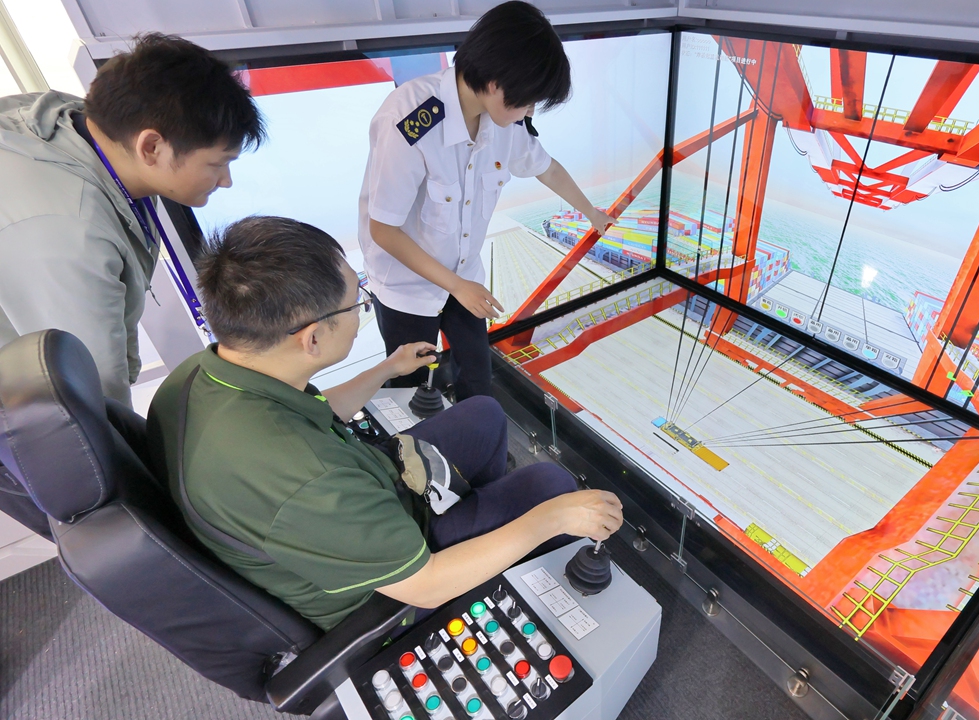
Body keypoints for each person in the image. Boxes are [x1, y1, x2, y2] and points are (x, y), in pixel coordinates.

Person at [146, 217, 623, 630]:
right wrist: (552, 518)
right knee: (552, 484)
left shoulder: (201, 376)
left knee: (484, 414)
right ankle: (489, 552)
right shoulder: (306, 480)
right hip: (394, 571)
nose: (360, 313)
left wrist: (385, 370)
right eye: (357, 304)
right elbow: (428, 584)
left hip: (361, 498)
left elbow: (314, 412)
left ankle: (480, 518)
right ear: (311, 339)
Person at [0, 33, 263, 538]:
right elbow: (86, 406)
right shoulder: (68, 233)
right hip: (21, 405)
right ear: (152, 146)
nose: (225, 181)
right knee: (104, 522)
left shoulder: (83, 126)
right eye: (217, 162)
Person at [360, 0, 615, 401]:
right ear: (497, 82)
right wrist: (458, 286)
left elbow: (546, 168)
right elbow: (384, 229)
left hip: (464, 278)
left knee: (478, 378)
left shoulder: (504, 123)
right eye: (529, 99)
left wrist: (592, 213)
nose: (530, 111)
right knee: (407, 391)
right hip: (406, 288)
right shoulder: (410, 119)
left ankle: (476, 444)